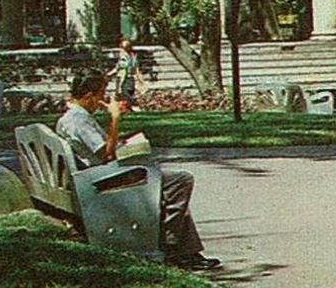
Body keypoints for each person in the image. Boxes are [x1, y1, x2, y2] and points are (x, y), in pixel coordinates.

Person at [55, 70, 218, 270]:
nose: (101, 101)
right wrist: (115, 118)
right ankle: (173, 246)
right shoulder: (79, 120)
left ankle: (186, 251)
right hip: (101, 180)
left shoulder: (70, 118)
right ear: (89, 95)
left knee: (166, 180)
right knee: (179, 180)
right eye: (101, 95)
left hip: (92, 177)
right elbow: (106, 154)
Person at [111, 38, 141, 110]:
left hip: (124, 79)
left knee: (124, 95)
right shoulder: (133, 57)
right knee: (125, 96)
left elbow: (122, 70)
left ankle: (135, 106)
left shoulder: (124, 57)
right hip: (131, 79)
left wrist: (120, 83)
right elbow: (136, 70)